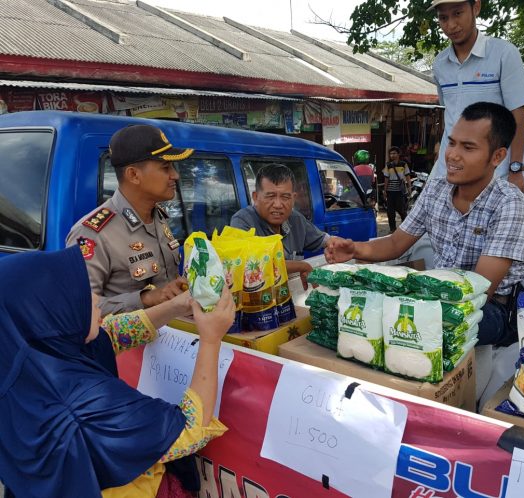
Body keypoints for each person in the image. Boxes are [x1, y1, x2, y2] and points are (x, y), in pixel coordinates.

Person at [0, 246, 235, 498]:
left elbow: (112, 333)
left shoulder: (35, 358)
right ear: (48, 314)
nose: (96, 298)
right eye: (78, 293)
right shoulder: (81, 408)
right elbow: (188, 430)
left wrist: (179, 304)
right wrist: (210, 340)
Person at [326, 102, 524, 347]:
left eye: (468, 147)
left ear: (497, 156)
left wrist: (413, 303)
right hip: (437, 294)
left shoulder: (509, 203)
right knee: (361, 308)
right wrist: (355, 250)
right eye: (452, 143)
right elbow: (395, 243)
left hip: (490, 308)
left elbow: (481, 288)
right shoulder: (435, 189)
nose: (453, 155)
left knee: (414, 326)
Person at [66, 124, 194, 316]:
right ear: (134, 175)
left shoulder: (157, 216)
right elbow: (78, 309)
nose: (175, 175)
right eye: (166, 167)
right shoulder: (92, 233)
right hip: (125, 345)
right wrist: (145, 299)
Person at [428, 0, 524, 192]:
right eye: (443, 18)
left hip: (492, 177)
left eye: (457, 13)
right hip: (447, 174)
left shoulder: (504, 54)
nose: (450, 25)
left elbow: (517, 114)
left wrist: (515, 169)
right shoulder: (440, 64)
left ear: (476, 7)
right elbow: (450, 115)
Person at [230, 163, 329, 289]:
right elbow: (256, 265)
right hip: (258, 302)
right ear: (255, 197)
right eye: (270, 196)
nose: (277, 204)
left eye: (285, 197)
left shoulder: (296, 219)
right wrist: (302, 266)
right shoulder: (242, 221)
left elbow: (325, 240)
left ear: (293, 199)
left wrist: (338, 244)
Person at [382, 146, 411, 233]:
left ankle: (405, 228)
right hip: (390, 191)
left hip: (400, 191)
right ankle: (392, 229)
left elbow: (408, 176)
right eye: (391, 153)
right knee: (390, 212)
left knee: (402, 210)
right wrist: (385, 190)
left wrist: (409, 188)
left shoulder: (403, 164)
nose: (392, 155)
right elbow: (386, 178)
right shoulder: (388, 165)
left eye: (394, 153)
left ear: (398, 154)